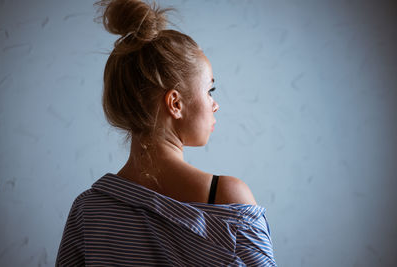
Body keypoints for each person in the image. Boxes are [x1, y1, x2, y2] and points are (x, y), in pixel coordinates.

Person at [56, 0, 277, 266]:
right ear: (175, 103)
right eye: (210, 91)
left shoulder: (87, 211)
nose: (215, 104)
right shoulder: (228, 200)